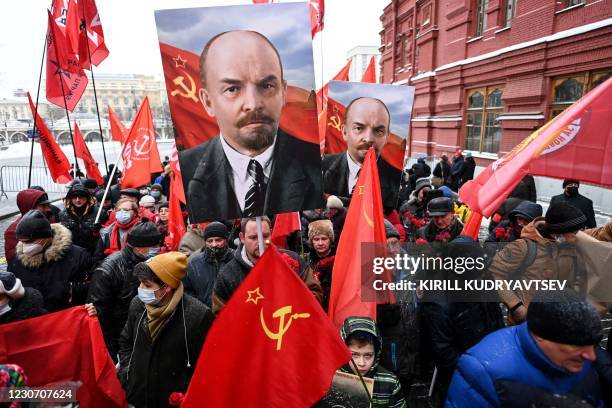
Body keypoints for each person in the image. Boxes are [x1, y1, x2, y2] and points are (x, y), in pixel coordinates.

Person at [179, 30, 323, 222]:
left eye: (266, 86)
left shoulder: (317, 167)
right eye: (232, 89)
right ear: (208, 101)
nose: (253, 104)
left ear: (283, 93)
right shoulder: (186, 172)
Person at [446, 289, 604, 407]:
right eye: (576, 346)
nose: (591, 356)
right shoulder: (482, 371)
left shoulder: (583, 354)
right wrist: (515, 305)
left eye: (594, 344)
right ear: (540, 337)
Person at [118, 252, 214, 407]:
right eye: (140, 283)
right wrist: (127, 374)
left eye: (147, 285)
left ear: (167, 287)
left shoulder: (198, 316)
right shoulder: (137, 304)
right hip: (138, 397)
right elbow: (126, 341)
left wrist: (185, 395)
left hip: (173, 402)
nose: (141, 289)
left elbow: (205, 367)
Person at [420, 236, 504, 403]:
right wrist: (478, 371)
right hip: (461, 377)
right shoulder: (437, 301)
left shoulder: (483, 278)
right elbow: (444, 352)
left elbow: (496, 318)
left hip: (490, 365)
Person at [488, 202, 588, 325]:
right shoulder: (522, 247)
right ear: (558, 232)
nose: (581, 236)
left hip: (555, 323)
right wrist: (516, 307)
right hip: (525, 324)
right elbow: (493, 275)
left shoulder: (568, 246)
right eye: (576, 232)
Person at [211, 217, 322, 314]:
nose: (260, 242)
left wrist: (290, 303)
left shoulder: (293, 260)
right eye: (253, 237)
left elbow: (315, 293)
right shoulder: (228, 274)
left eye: (265, 236)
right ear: (242, 238)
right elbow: (221, 318)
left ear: (271, 232)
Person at [87, 219, 163, 361]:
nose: (158, 249)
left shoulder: (153, 263)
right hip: (119, 340)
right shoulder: (108, 270)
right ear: (139, 247)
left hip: (145, 333)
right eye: (154, 246)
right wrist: (112, 351)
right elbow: (99, 313)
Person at [322, 97, 402, 210]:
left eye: (378, 131)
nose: (368, 139)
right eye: (359, 128)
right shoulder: (321, 167)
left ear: (387, 137)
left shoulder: (396, 179)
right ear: (344, 132)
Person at [8, 210, 91, 312]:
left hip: (66, 317)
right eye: (22, 242)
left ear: (47, 237)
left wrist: (72, 290)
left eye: (30, 241)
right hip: (34, 321)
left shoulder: (78, 255)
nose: (25, 247)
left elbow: (92, 287)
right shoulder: (17, 262)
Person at [377, 221, 419, 399]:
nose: (393, 250)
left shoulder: (409, 264)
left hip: (411, 330)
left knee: (409, 371)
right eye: (388, 245)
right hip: (390, 337)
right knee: (394, 375)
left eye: (395, 243)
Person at [339, 317, 407, 408]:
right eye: (354, 355)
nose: (362, 363)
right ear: (343, 351)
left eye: (368, 355)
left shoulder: (391, 382)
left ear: (376, 354)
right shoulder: (330, 379)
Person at [184, 222, 234, 307]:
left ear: (226, 240)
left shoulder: (236, 260)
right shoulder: (193, 263)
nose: (214, 244)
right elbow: (187, 291)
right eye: (210, 241)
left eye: (218, 240)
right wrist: (200, 309)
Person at [4, 188, 53, 262]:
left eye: (47, 205)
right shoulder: (13, 231)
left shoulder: (49, 220)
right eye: (43, 206)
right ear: (29, 208)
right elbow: (14, 263)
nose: (48, 209)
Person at [58, 184, 106, 254]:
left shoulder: (100, 213)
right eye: (74, 197)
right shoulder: (63, 214)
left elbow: (107, 234)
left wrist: (100, 230)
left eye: (81, 197)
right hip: (72, 254)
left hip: (93, 252)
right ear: (70, 199)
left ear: (87, 198)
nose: (77, 200)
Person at [302, 219, 336, 311]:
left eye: (324, 239)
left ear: (330, 239)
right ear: (311, 241)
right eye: (316, 239)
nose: (320, 243)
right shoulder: (305, 260)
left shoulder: (338, 258)